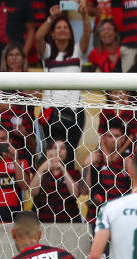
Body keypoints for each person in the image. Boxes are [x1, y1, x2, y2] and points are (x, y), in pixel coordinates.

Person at [35, 4, 91, 161]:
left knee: (69, 156)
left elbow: (87, 34)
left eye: (65, 27)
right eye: (58, 27)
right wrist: (50, 18)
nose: (62, 30)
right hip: (50, 112)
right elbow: (38, 37)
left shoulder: (77, 51)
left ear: (71, 32)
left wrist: (85, 16)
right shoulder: (46, 52)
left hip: (74, 112)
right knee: (50, 157)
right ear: (52, 33)